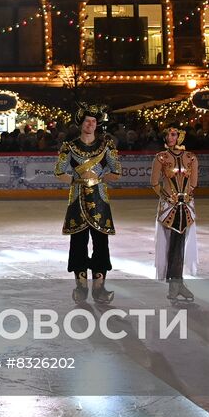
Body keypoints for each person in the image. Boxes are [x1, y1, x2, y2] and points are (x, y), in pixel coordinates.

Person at [55, 105, 120, 304]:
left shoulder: (106, 145)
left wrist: (100, 177)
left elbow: (116, 172)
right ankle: (81, 287)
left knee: (101, 244)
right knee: (78, 244)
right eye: (87, 121)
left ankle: (99, 288)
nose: (90, 124)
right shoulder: (70, 146)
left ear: (97, 124)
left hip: (100, 200)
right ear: (81, 124)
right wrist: (76, 178)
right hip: (77, 200)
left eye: (93, 121)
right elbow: (59, 171)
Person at [151, 126, 198, 303]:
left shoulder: (191, 157)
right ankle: (174, 284)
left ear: (180, 136)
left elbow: (193, 184)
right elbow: (155, 183)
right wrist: (166, 197)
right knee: (170, 245)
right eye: (167, 135)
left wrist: (187, 196)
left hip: (185, 207)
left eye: (173, 134)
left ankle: (178, 283)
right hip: (168, 208)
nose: (170, 137)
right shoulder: (161, 157)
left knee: (180, 245)